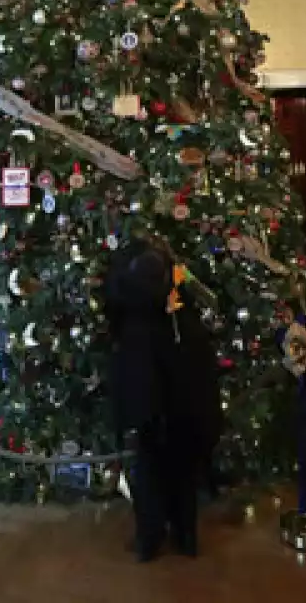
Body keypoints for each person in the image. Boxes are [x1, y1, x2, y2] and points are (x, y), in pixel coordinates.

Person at [107, 238, 221, 562]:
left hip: (148, 414)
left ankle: (150, 538)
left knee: (148, 471)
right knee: (183, 471)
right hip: (182, 412)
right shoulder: (182, 321)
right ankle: (185, 536)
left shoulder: (130, 318)